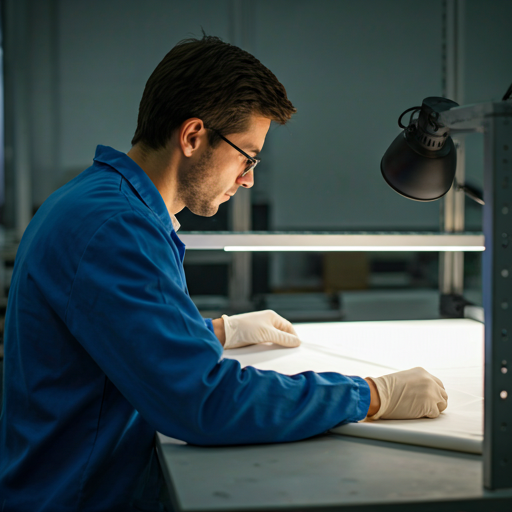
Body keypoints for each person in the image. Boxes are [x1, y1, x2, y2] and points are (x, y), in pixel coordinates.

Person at [0, 34, 448, 511]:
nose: (249, 178)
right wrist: (370, 395)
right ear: (193, 137)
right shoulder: (115, 228)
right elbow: (203, 405)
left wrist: (212, 332)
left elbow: (110, 337)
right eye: (247, 157)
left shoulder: (103, 203)